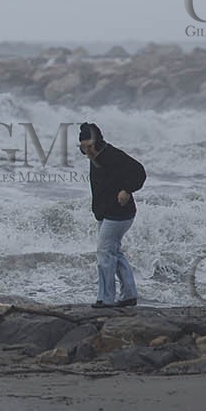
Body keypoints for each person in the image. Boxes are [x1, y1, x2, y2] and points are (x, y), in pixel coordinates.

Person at [79, 122, 146, 307]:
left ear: (98, 142)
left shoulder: (112, 155)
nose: (87, 151)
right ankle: (129, 295)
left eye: (90, 146)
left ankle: (106, 299)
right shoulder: (94, 157)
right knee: (114, 252)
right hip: (107, 213)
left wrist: (127, 190)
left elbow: (139, 172)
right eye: (83, 148)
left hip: (120, 213)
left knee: (104, 253)